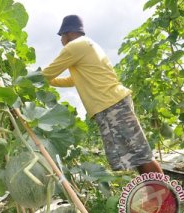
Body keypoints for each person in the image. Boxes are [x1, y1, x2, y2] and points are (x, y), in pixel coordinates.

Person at [41, 15, 163, 174]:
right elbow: (73, 80)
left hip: (110, 106)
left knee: (138, 155)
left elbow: (47, 73)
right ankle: (158, 195)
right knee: (136, 154)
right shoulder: (89, 45)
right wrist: (50, 81)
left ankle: (166, 196)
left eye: (62, 36)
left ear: (69, 33)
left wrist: (33, 77)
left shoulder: (74, 47)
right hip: (114, 102)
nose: (61, 40)